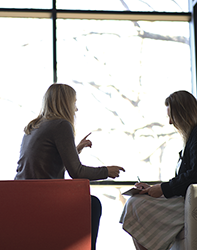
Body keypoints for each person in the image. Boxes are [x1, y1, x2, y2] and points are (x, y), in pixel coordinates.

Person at [14, 83, 125, 250]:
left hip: (22, 198)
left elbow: (45, 162)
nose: (76, 109)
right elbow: (77, 172)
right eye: (74, 103)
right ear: (65, 103)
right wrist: (106, 171)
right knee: (93, 204)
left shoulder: (33, 127)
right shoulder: (61, 125)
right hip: (44, 200)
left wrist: (76, 150)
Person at [120, 90, 197, 250]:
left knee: (136, 205)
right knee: (135, 204)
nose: (170, 122)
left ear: (183, 113)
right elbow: (191, 177)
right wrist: (154, 189)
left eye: (172, 116)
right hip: (193, 199)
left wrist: (162, 189)